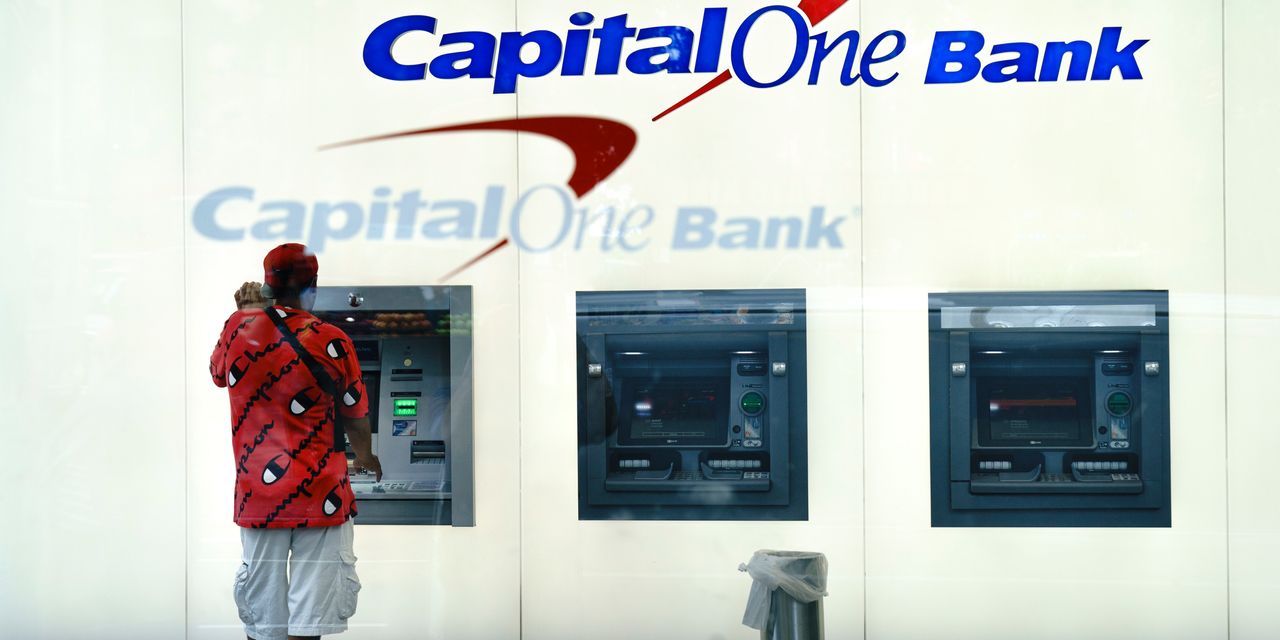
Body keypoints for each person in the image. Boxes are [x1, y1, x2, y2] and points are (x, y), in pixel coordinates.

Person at [210, 243, 382, 640]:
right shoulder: (333, 339)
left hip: (259, 497)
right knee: (311, 620)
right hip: (323, 496)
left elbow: (217, 374)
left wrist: (245, 314)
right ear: (313, 285)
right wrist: (365, 456)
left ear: (266, 285)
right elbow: (355, 412)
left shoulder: (239, 329)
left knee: (265, 623)